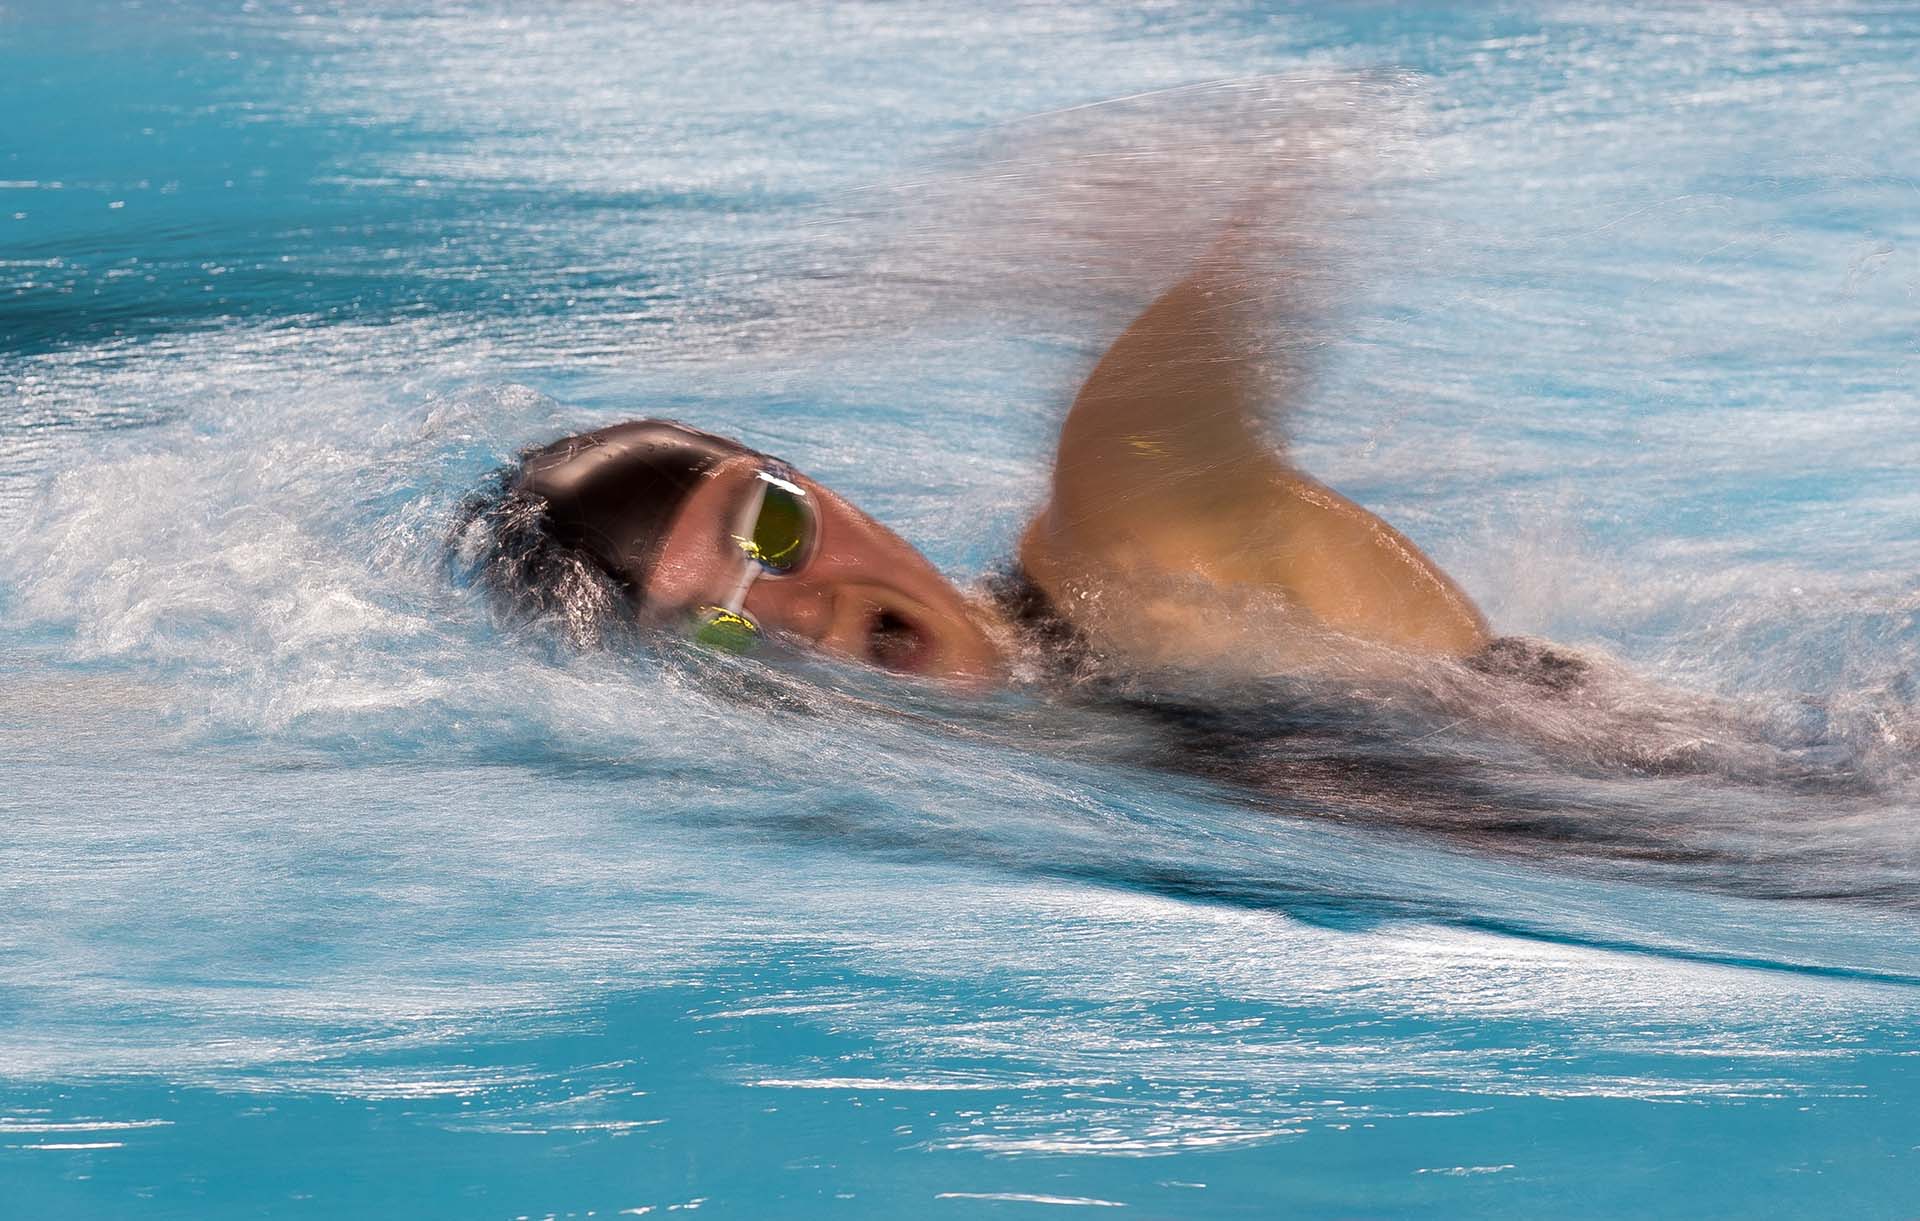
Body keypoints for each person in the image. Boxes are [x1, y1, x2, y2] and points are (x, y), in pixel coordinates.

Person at [462, 256, 1537, 691]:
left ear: (827, 492)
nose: (807, 606)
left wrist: (1094, 235)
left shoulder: (1133, 570)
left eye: (775, 533)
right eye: (721, 624)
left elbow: (1156, 421)